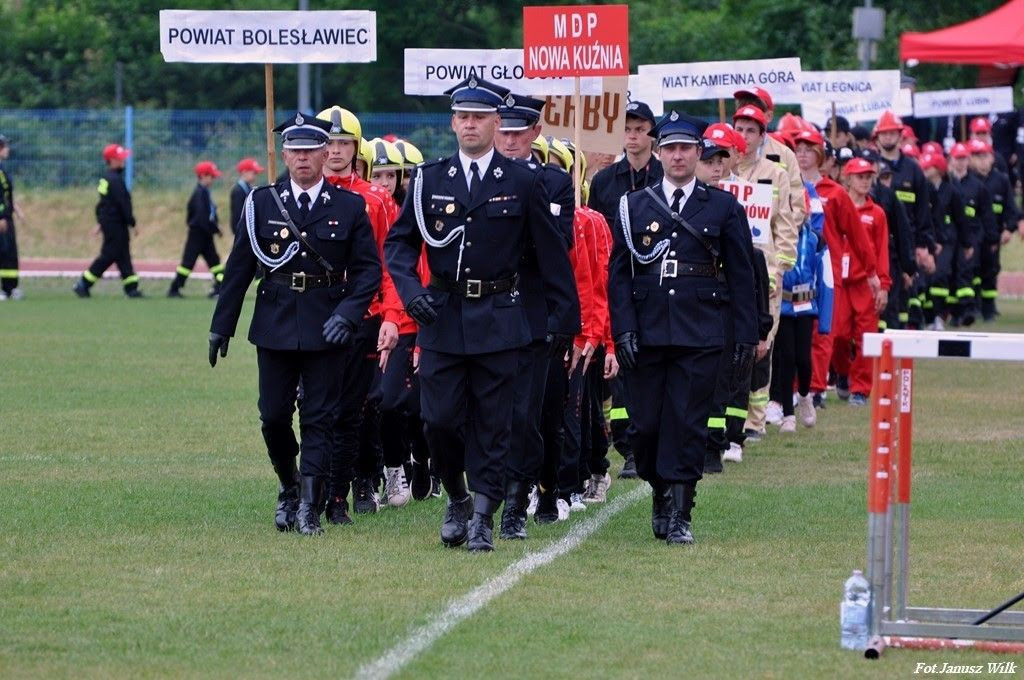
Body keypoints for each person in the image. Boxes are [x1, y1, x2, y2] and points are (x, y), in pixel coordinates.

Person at [384, 77, 579, 552]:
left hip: (500, 316)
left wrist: (564, 321)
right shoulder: (431, 178)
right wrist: (411, 295)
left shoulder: (524, 181)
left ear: (497, 122)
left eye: (480, 117)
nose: (470, 125)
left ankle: (484, 518)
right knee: (439, 421)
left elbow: (552, 256)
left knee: (496, 424)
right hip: (443, 315)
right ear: (453, 123)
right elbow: (399, 245)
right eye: (463, 117)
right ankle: (456, 496)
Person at [208, 112, 382, 536]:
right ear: (284, 154)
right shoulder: (262, 203)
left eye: (311, 150)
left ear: (327, 153)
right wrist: (221, 326)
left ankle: (308, 505)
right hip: (277, 320)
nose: (303, 158)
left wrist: (348, 314)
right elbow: (239, 269)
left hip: (328, 323)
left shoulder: (349, 206)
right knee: (273, 416)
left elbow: (367, 272)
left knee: (320, 417)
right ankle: (289, 486)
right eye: (295, 151)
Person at [608, 110, 757, 545]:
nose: (678, 156)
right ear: (658, 152)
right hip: (648, 330)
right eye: (670, 148)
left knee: (687, 423)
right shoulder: (634, 205)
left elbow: (742, 276)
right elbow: (619, 273)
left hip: (701, 331)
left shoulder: (724, 207)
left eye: (686, 149)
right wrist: (623, 329)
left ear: (699, 153)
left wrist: (745, 337)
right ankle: (659, 489)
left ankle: (681, 510)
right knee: (647, 427)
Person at [491, 95, 576, 537]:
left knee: (525, 415)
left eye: (517, 131)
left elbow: (557, 244)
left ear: (535, 133)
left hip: (529, 311)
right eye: (502, 130)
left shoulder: (553, 182)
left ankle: (516, 497)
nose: (508, 139)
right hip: (484, 311)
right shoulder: (477, 179)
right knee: (485, 412)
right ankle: (488, 492)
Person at [315, 105, 402, 516]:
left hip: (364, 316)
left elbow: (390, 263)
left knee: (358, 407)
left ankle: (351, 487)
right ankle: (311, 488)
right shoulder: (297, 193)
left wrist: (390, 316)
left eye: (343, 142)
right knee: (315, 406)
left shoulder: (377, 199)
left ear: (357, 147)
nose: (335, 150)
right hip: (312, 314)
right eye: (328, 142)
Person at [588, 100, 662, 480]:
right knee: (624, 369)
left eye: (639, 128)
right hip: (617, 282)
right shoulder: (604, 181)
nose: (632, 136)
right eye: (626, 129)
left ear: (652, 132)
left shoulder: (664, 175)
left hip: (658, 282)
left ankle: (656, 439)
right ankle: (630, 447)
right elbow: (593, 237)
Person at [770, 174, 833, 430]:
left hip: (807, 306)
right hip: (783, 306)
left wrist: (826, 321)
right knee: (786, 358)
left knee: (803, 360)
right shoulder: (776, 238)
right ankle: (788, 414)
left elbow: (826, 282)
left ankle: (805, 396)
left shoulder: (817, 239)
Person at [835, 158, 891, 405]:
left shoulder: (876, 213)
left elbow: (881, 252)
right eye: (860, 176)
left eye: (869, 176)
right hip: (839, 283)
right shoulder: (837, 205)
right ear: (847, 178)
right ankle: (843, 374)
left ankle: (860, 389)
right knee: (838, 336)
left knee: (866, 336)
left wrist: (883, 285)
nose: (865, 181)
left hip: (865, 285)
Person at [73, 144, 142, 298]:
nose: (123, 160)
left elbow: (103, 205)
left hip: (111, 223)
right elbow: (123, 204)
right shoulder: (115, 180)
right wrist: (132, 222)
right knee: (109, 255)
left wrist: (100, 222)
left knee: (123, 254)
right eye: (120, 158)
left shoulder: (107, 179)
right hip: (116, 225)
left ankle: (131, 287)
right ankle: (83, 283)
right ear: (112, 160)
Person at [967, 138, 1021, 320]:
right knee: (971, 271)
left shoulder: (1002, 181)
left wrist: (1009, 229)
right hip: (971, 236)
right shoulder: (966, 180)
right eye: (977, 156)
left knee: (990, 271)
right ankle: (973, 306)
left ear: (992, 157)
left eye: (985, 156)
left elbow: (1012, 210)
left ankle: (989, 309)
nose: (981, 161)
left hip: (992, 236)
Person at [168, 161, 225, 298]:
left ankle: (220, 287)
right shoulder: (200, 194)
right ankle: (174, 289)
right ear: (203, 176)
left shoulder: (204, 192)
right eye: (211, 176)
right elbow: (201, 217)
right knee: (188, 262)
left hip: (205, 234)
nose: (212, 180)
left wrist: (215, 228)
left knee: (215, 262)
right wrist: (214, 229)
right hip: (198, 234)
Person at [0, 134, 23, 300]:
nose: (7, 149)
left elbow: (5, 194)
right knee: (3, 251)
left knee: (9, 252)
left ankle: (10, 288)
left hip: (7, 216)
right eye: (4, 146)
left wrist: (15, 208)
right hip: (2, 218)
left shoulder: (2, 169)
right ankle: (4, 289)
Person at [230, 158, 264, 235]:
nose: (256, 175)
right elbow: (237, 215)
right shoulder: (238, 191)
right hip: (242, 231)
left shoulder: (248, 187)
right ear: (244, 172)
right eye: (254, 173)